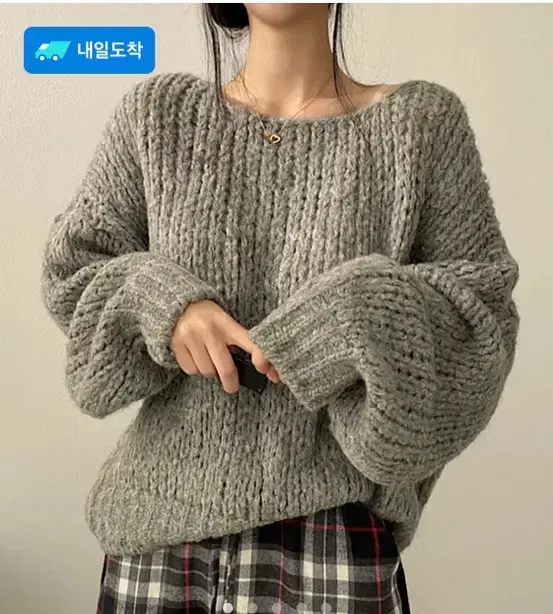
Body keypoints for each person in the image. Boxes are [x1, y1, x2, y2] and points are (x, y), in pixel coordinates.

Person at [40, 3, 520, 613]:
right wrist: (161, 303)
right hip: (157, 550)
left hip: (332, 549)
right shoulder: (158, 116)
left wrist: (352, 315)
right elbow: (74, 269)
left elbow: (481, 321)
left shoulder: (422, 126)